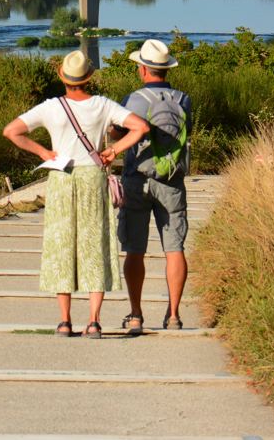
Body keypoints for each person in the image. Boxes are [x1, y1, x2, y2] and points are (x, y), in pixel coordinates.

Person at [3, 50, 149, 338]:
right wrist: (113, 150)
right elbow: (140, 127)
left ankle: (64, 320)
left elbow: (11, 131)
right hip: (92, 177)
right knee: (95, 243)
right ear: (89, 78)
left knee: (61, 244)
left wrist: (43, 151)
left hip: (61, 178)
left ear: (63, 77)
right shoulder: (102, 105)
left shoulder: (51, 107)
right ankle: (94, 321)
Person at [110, 38, 192, 334]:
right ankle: (173, 315)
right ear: (166, 69)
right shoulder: (183, 99)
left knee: (135, 249)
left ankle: (135, 314)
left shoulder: (135, 100)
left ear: (143, 69)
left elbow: (119, 128)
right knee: (175, 249)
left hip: (138, 179)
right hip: (172, 180)